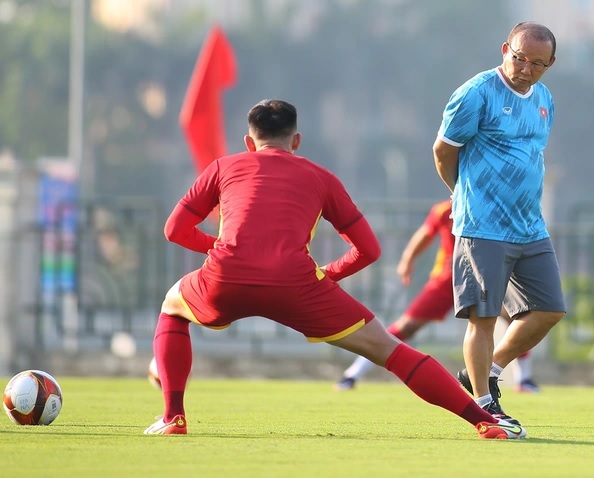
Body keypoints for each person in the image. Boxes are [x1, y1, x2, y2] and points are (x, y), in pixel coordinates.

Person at [144, 99, 524, 439]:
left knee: (172, 308)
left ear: (249, 141)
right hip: (298, 285)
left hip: (224, 277)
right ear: (296, 141)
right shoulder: (321, 177)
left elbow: (174, 229)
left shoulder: (224, 166)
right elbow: (369, 250)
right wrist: (326, 275)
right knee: (389, 349)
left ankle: (173, 415)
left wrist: (221, 248)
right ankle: (484, 420)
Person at [432, 22, 566, 424]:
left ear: (550, 64)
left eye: (538, 64)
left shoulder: (544, 98)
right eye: (520, 58)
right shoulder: (476, 93)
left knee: (549, 310)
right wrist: (464, 195)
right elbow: (443, 152)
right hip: (483, 226)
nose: (526, 69)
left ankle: (487, 371)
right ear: (506, 48)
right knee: (484, 318)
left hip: (529, 225)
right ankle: (484, 404)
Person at [335, 199, 540, 393]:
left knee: (516, 318)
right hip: (448, 280)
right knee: (407, 326)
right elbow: (425, 234)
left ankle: (524, 379)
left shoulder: (494, 208)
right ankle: (352, 374)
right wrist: (407, 260)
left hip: (485, 277)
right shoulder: (445, 209)